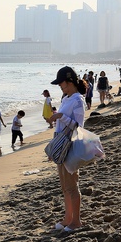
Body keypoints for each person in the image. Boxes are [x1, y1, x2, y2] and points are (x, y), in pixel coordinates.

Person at [49, 66, 86, 232]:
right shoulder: (66, 98)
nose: (59, 86)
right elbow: (62, 123)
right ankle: (68, 217)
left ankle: (76, 220)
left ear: (69, 80)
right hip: (61, 146)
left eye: (61, 82)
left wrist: (60, 116)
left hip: (70, 146)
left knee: (72, 185)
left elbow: (79, 127)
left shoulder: (78, 100)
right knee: (65, 186)